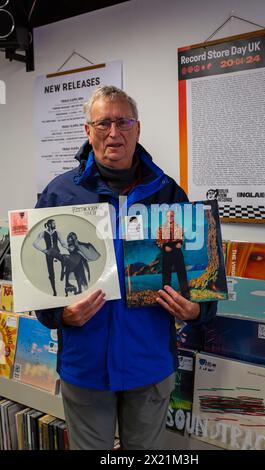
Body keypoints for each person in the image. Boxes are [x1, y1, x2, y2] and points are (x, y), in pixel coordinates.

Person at [35, 85, 217, 450]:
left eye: (123, 122)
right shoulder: (58, 195)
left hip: (149, 365)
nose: (114, 133)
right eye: (103, 123)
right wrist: (60, 314)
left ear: (137, 128)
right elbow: (41, 289)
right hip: (85, 366)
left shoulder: (167, 193)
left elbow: (200, 281)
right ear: (88, 131)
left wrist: (198, 310)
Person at [156, 209, 190, 299]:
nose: (170, 217)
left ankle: (185, 292)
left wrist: (180, 243)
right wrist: (164, 247)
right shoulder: (161, 228)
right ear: (166, 217)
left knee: (181, 272)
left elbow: (182, 237)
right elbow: (158, 241)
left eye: (171, 216)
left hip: (177, 250)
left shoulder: (178, 227)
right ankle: (166, 293)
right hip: (166, 251)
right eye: (168, 216)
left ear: (174, 216)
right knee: (166, 273)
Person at [33, 218, 68, 296]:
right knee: (51, 273)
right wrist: (43, 250)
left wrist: (68, 247)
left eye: (55, 223)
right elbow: (34, 243)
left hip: (56, 252)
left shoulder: (57, 233)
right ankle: (54, 291)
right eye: (53, 224)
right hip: (49, 254)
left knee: (65, 260)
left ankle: (63, 275)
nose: (55, 225)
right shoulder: (43, 233)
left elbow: (63, 243)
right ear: (49, 224)